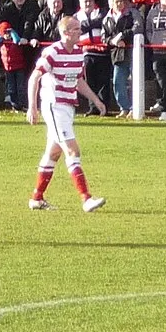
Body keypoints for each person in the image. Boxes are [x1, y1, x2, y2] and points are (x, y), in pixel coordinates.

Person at [26, 14, 109, 212]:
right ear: (65, 33)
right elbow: (34, 78)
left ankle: (37, 198)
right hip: (54, 106)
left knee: (53, 154)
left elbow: (78, 81)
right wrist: (32, 107)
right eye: (76, 29)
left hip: (68, 107)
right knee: (73, 150)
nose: (80, 32)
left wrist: (96, 100)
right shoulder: (53, 52)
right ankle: (86, 198)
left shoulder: (79, 52)